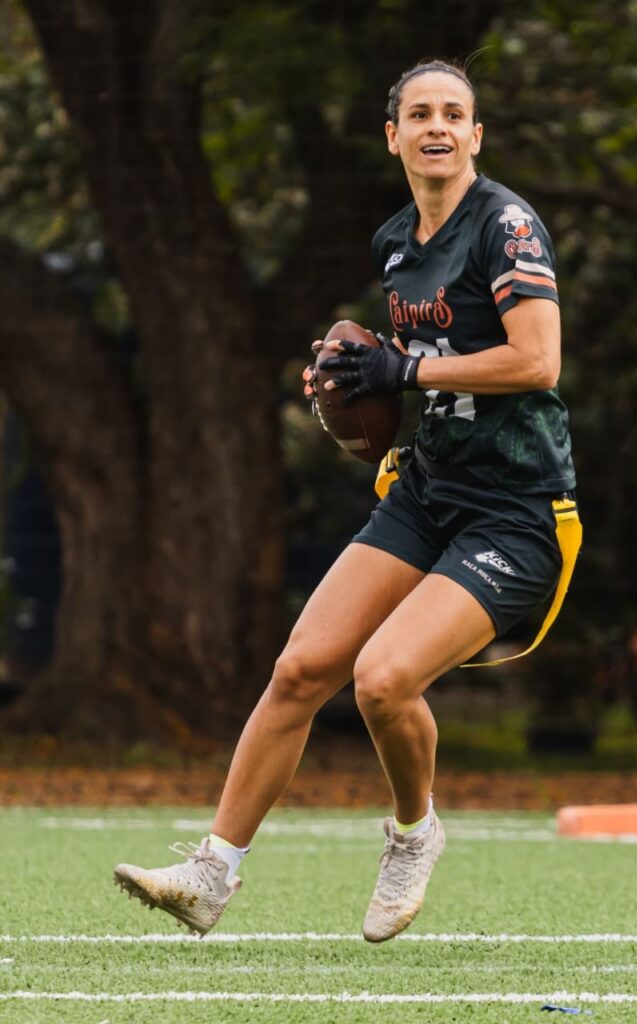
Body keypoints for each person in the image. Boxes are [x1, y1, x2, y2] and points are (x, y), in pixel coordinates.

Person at [114, 58, 576, 941]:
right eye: (419, 114)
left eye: (454, 114)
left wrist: (401, 367)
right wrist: (347, 382)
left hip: (514, 511)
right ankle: (212, 873)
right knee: (299, 670)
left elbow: (536, 362)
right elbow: (405, 379)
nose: (436, 126)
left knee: (382, 681)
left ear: (475, 136)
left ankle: (413, 831)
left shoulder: (506, 227)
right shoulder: (393, 242)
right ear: (392, 135)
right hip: (426, 488)